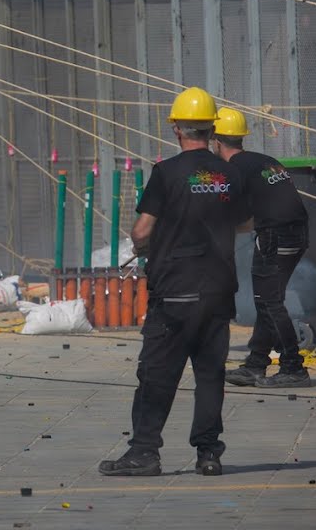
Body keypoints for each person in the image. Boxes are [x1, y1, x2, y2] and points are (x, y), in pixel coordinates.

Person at [99, 87, 250, 478]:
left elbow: (141, 231)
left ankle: (144, 452)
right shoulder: (229, 173)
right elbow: (246, 222)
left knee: (157, 373)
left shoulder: (166, 173)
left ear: (177, 130)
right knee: (210, 376)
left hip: (176, 290)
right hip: (218, 289)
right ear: (211, 130)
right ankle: (208, 454)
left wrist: (157, 240)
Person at [212, 107, 312, 389]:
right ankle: (256, 364)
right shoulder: (263, 161)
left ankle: (293, 367)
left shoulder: (232, 170)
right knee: (266, 299)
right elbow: (251, 216)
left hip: (275, 237)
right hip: (296, 233)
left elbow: (231, 216)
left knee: (269, 302)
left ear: (217, 141)